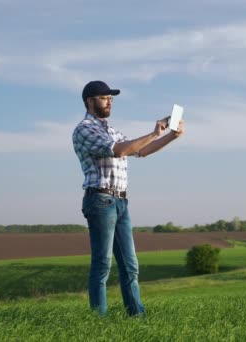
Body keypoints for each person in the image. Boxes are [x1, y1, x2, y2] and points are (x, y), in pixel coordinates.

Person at [72, 80, 184, 316]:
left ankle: (136, 315)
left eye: (111, 98)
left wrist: (170, 136)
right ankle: (98, 320)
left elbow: (140, 150)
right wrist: (153, 132)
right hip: (100, 201)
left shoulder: (112, 130)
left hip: (121, 202)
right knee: (102, 265)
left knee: (130, 266)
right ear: (89, 101)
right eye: (104, 98)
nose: (109, 101)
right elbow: (120, 150)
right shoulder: (84, 129)